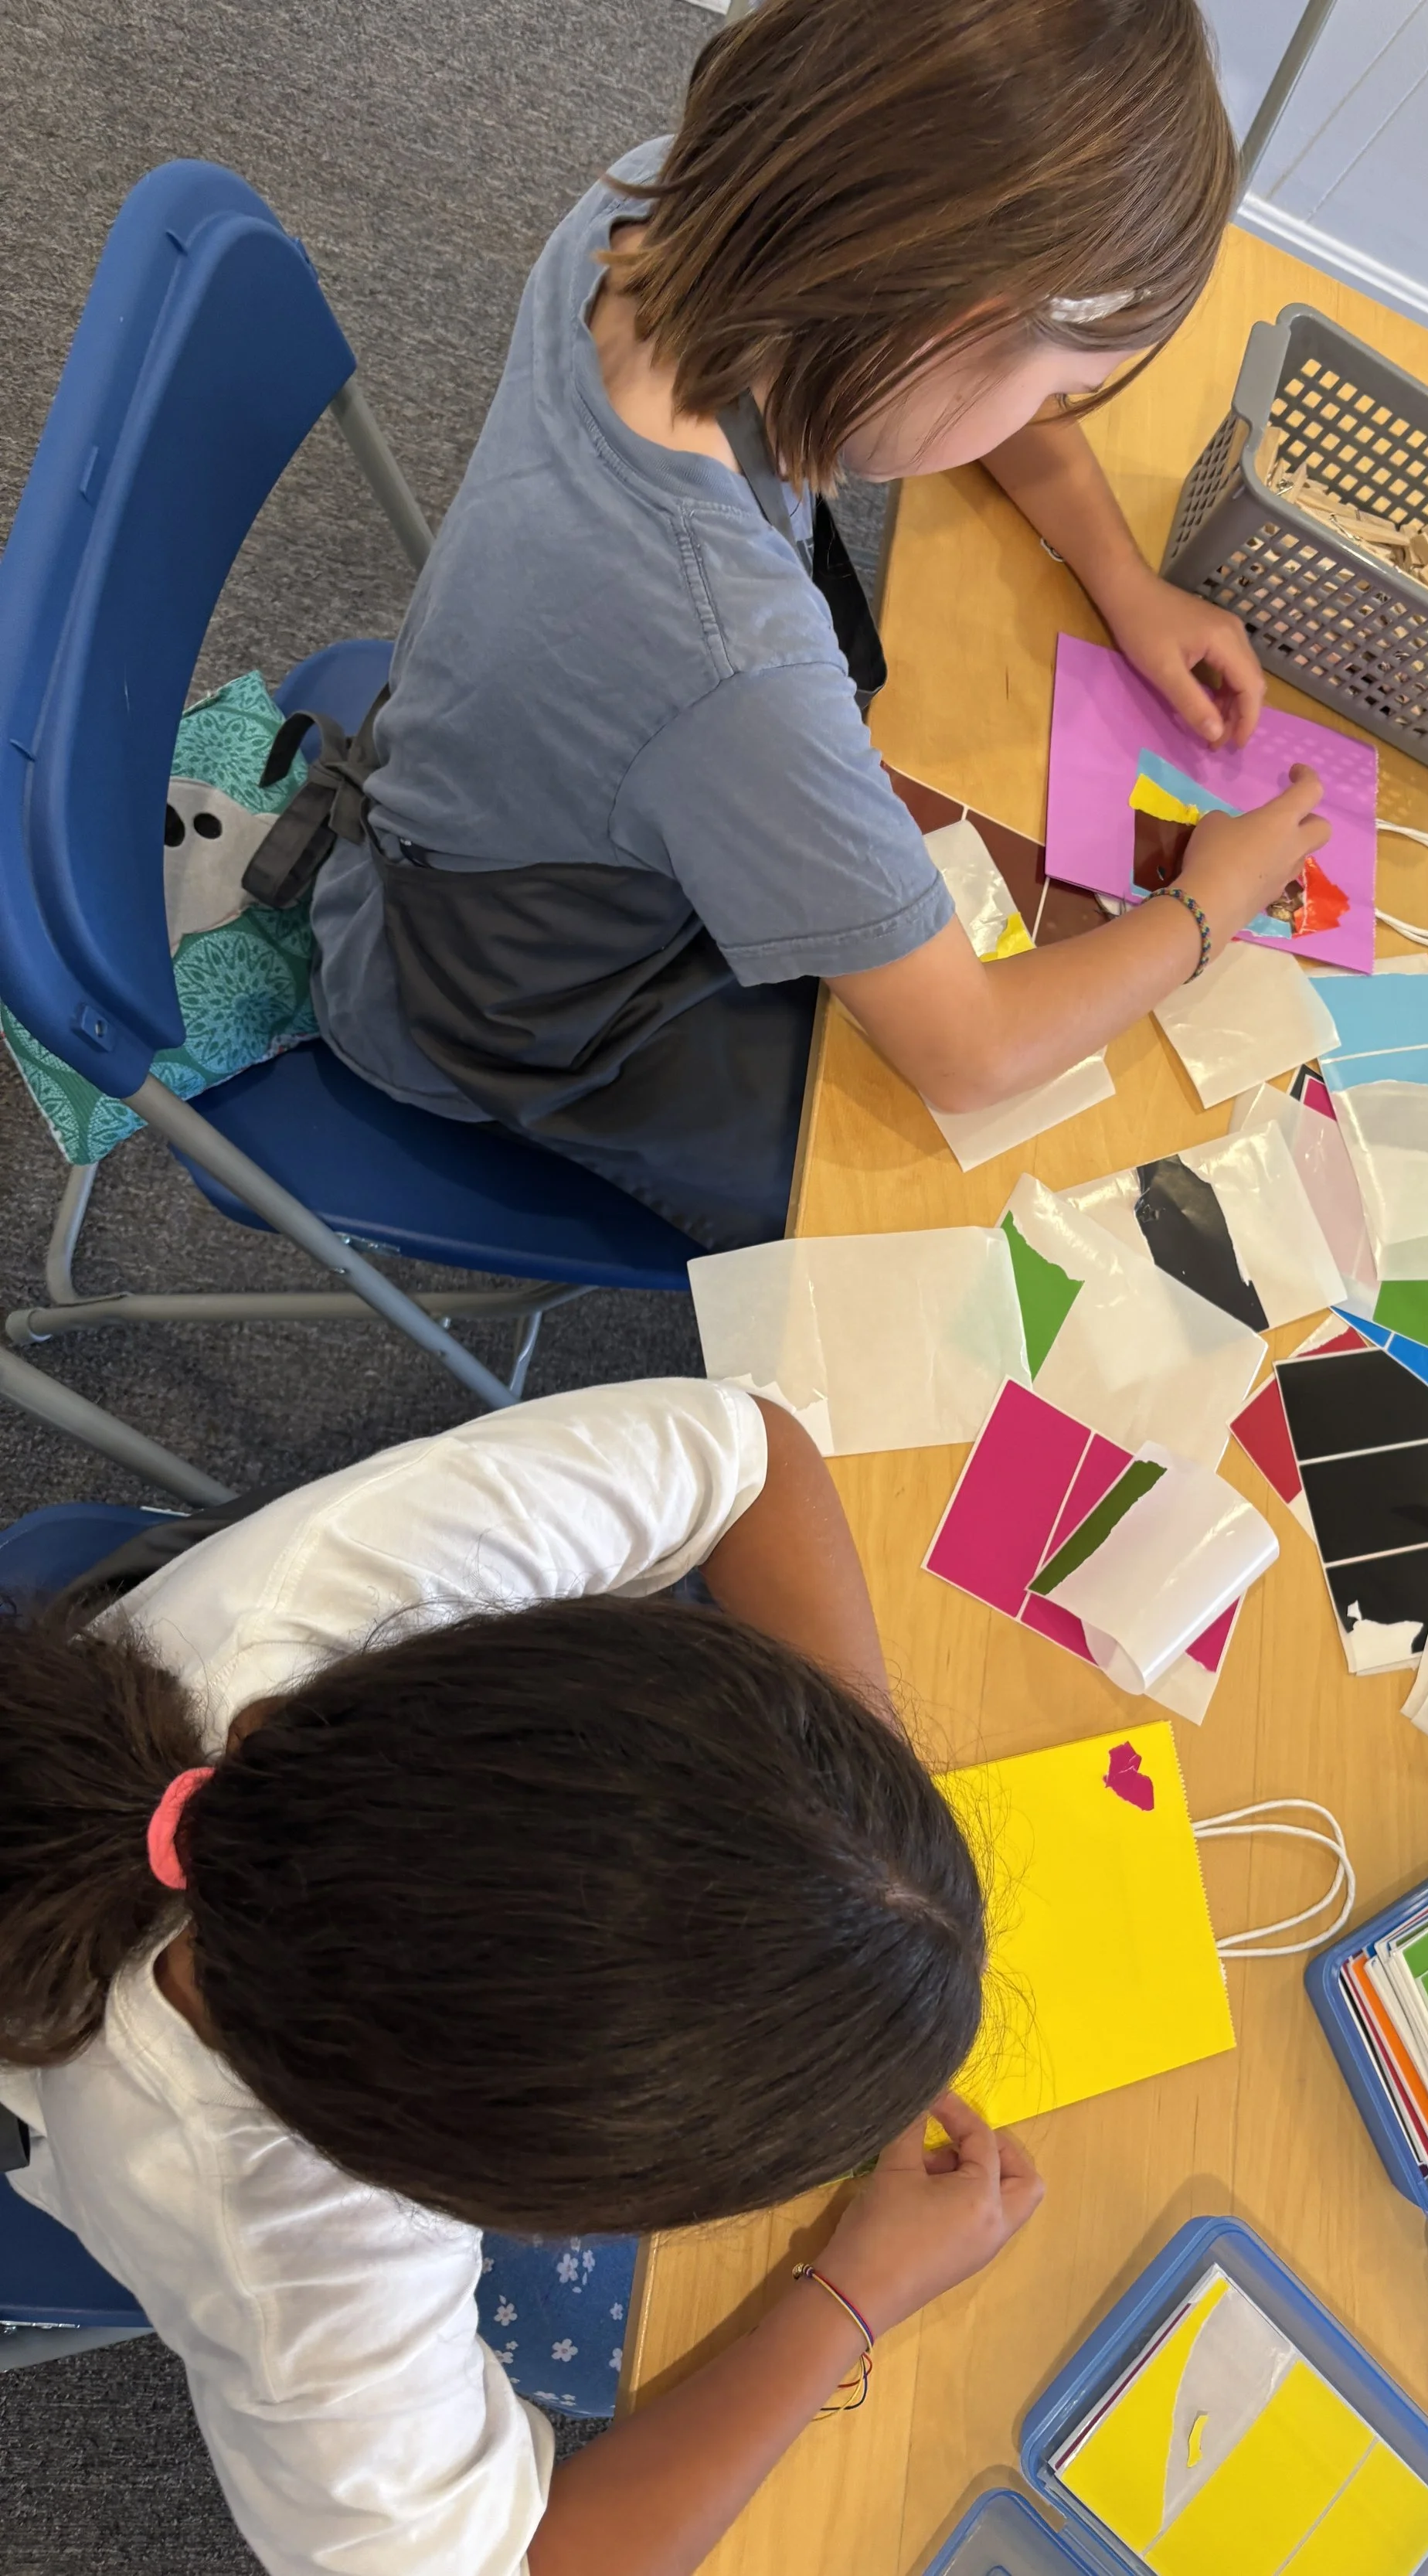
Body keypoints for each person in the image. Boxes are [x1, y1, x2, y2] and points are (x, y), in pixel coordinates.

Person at [301, 0, 1331, 1251]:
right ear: (943, 326)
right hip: (493, 1004)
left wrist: (1125, 581)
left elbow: (971, 379)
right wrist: (1210, 906)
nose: (1045, 418)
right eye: (1060, 387)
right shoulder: (736, 662)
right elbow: (974, 1052)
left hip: (465, 791)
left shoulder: (671, 204)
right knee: (963, 1208)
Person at [0, 1380, 1041, 2576]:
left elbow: (759, 1456)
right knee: (605, 2340)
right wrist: (850, 2299)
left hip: (90, 1706)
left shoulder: (395, 1577)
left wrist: (846, 1827)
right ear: (486, 2193)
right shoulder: (290, 2259)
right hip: (67, 2093)